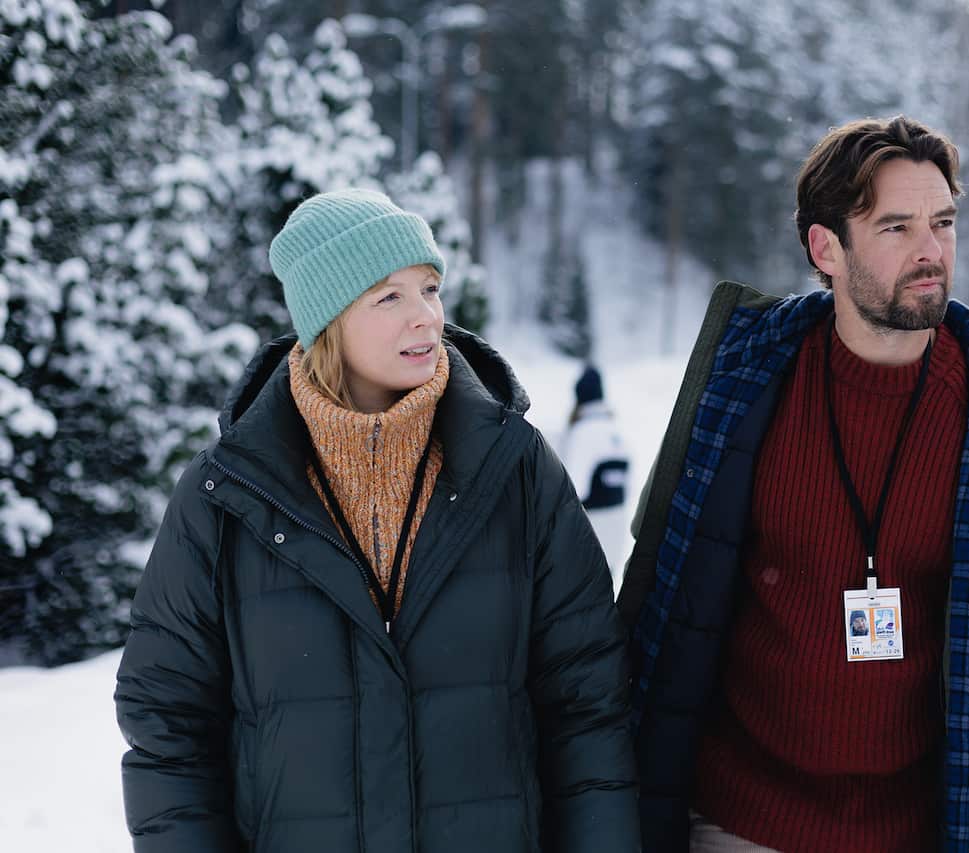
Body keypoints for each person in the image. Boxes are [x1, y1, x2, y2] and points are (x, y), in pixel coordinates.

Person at [618, 116, 969, 853]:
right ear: (826, 248)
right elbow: (662, 584)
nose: (931, 250)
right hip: (735, 821)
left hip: (926, 830)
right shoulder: (740, 385)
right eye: (896, 227)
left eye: (942, 223)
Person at [114, 188, 639, 852]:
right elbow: (167, 724)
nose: (425, 316)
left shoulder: (517, 467)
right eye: (389, 297)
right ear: (328, 319)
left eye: (429, 288)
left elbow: (588, 704)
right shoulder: (224, 493)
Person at [559, 364, 631, 595]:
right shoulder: (616, 430)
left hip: (589, 532)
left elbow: (573, 489)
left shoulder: (582, 432)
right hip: (617, 530)